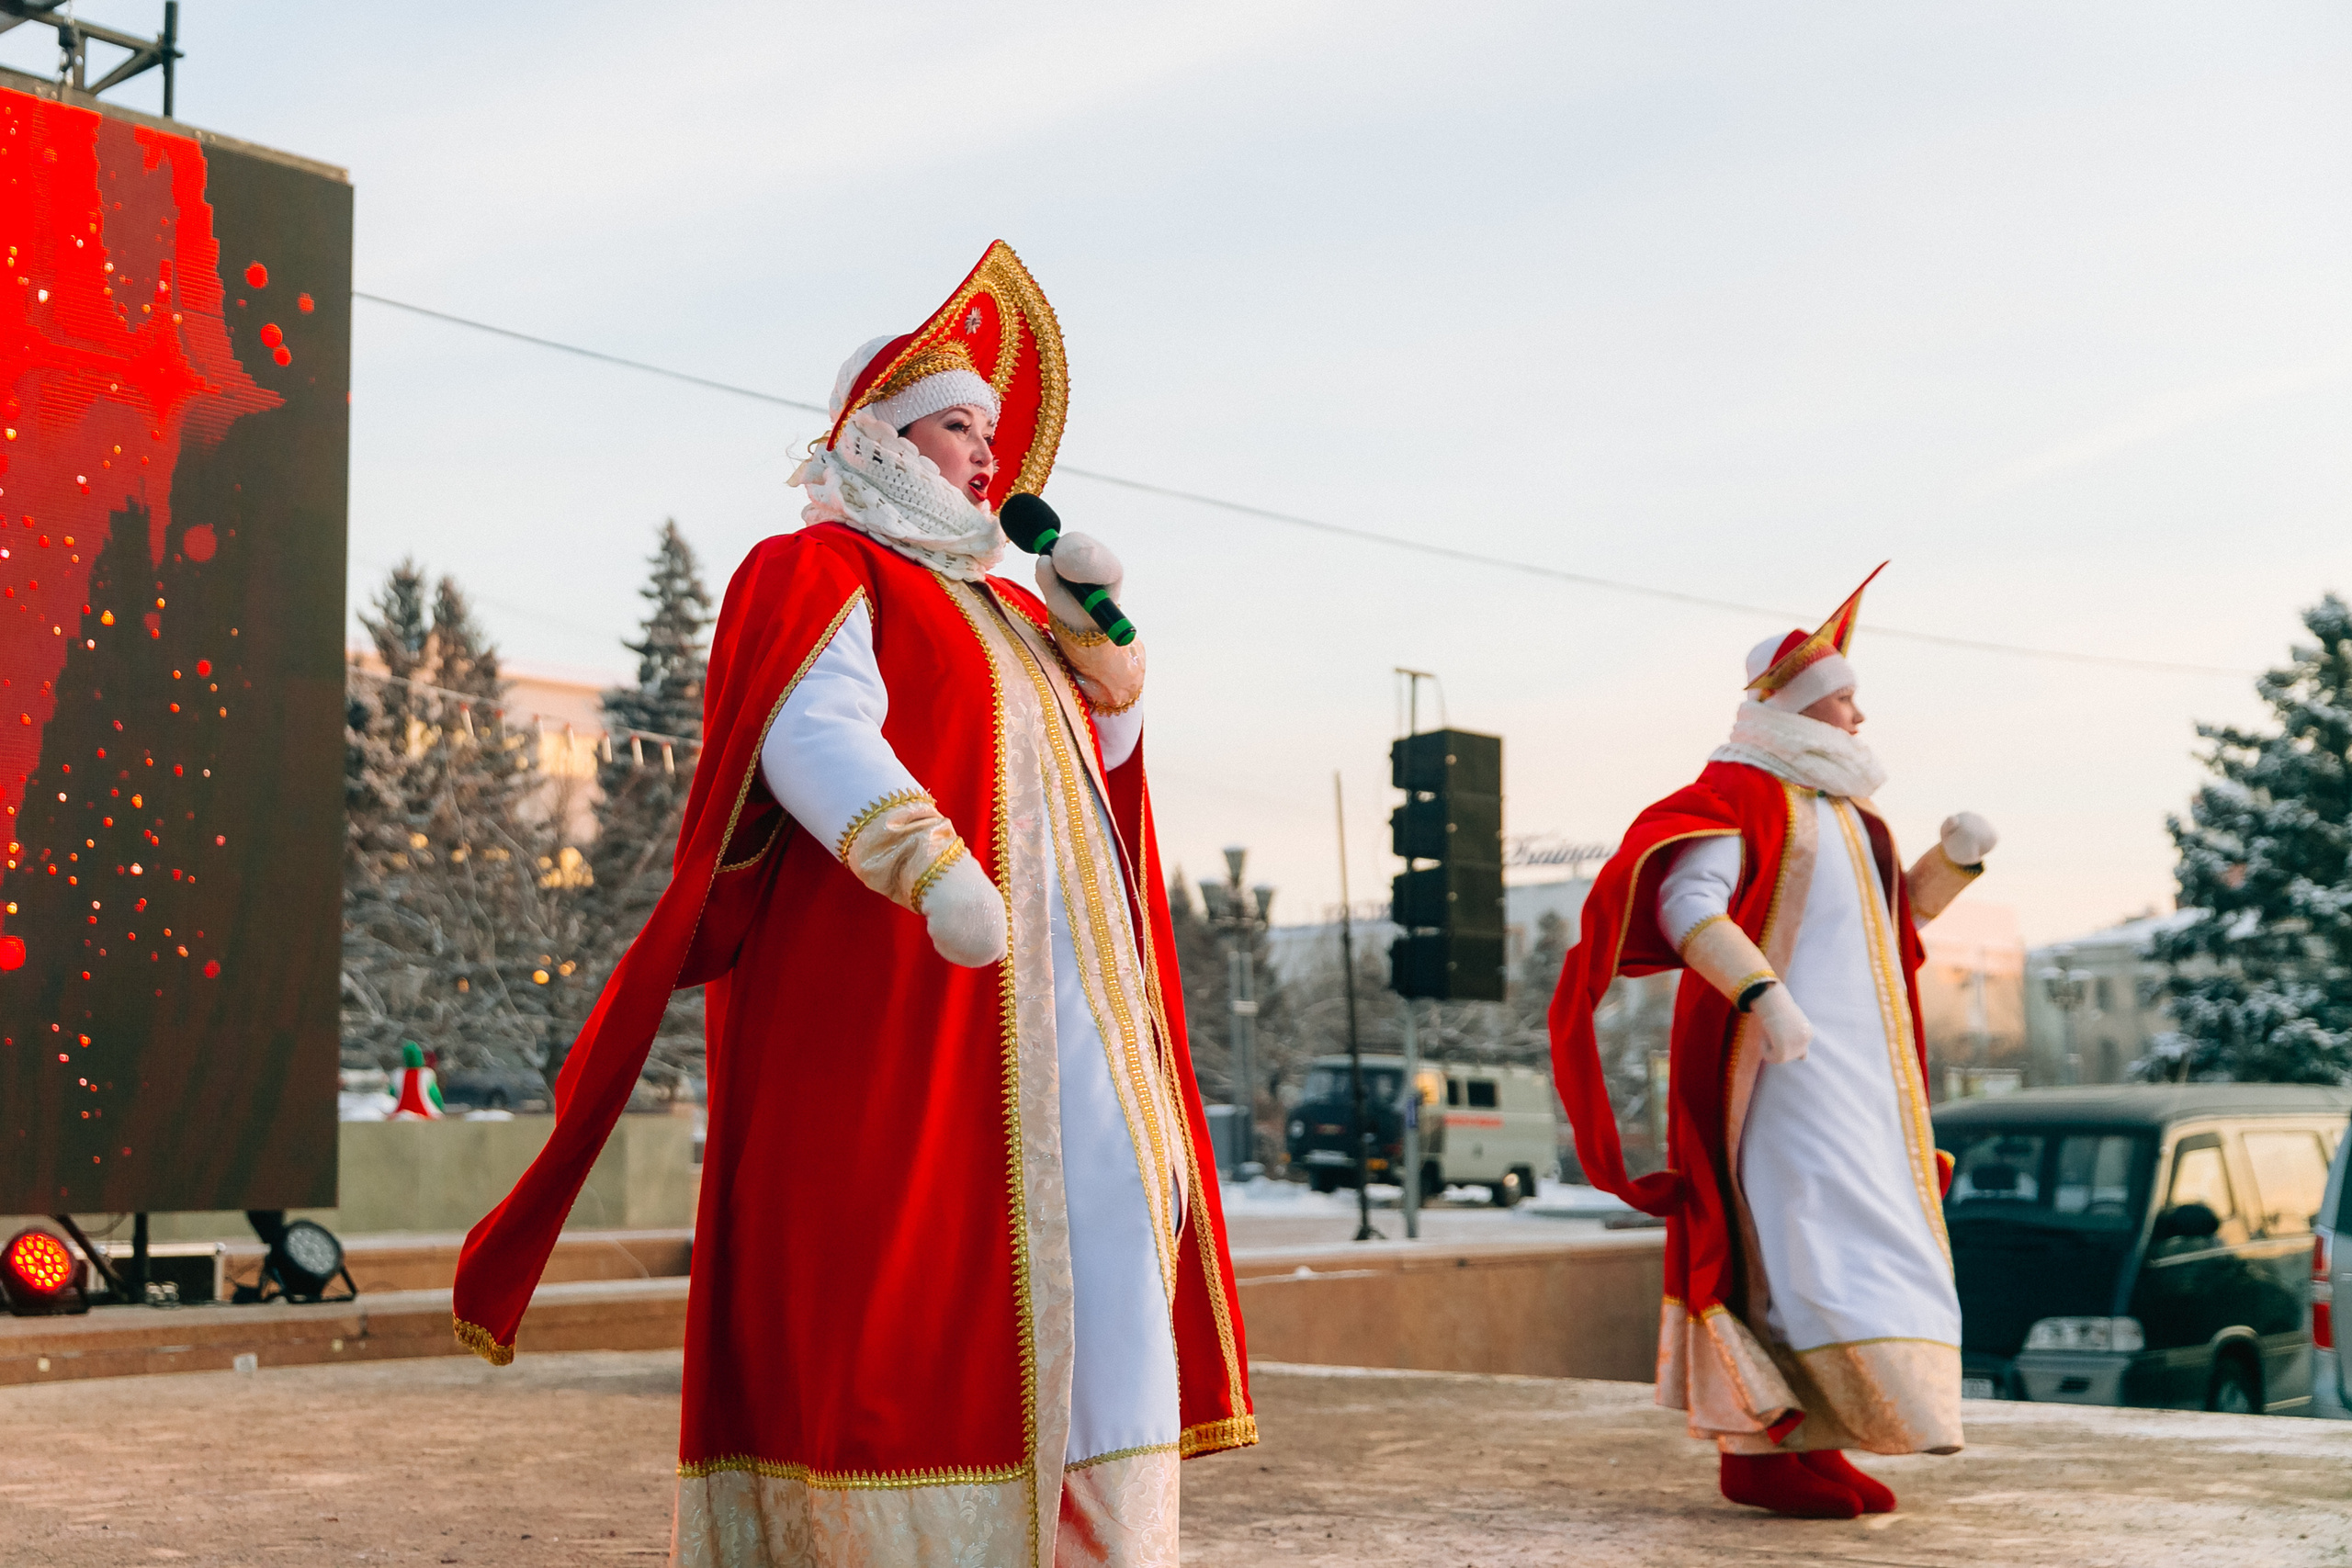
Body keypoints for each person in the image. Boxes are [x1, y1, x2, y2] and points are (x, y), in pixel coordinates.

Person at [449, 242, 1254, 1567]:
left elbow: (1094, 791)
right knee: (909, 1286)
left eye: (993, 435)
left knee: (1116, 1247)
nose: (986, 457)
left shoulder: (1006, 605)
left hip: (1067, 1021)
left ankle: (1101, 1540)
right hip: (910, 1001)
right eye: (957, 427)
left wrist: (1109, 675)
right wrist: (932, 868)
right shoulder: (819, 567)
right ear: (877, 436)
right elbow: (810, 732)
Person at [1548, 565, 1996, 1519]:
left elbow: (1888, 931)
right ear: (1797, 710)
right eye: (1844, 703)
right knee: (1794, 1250)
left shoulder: (1850, 817)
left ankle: (1819, 1433)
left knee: (1861, 1240)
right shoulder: (1743, 799)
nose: (1858, 721)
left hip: (1865, 1081)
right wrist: (1762, 996)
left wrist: (1948, 866)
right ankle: (1756, 1447)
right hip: (1777, 1079)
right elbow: (1683, 905)